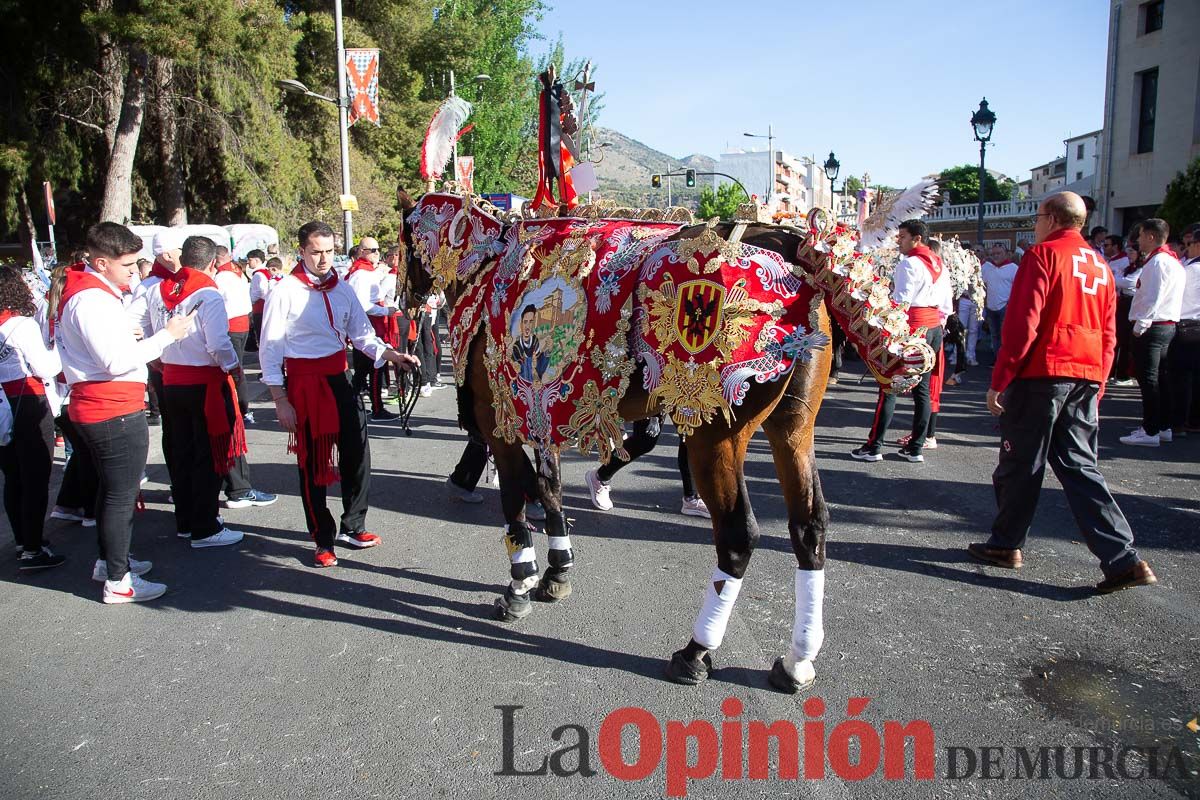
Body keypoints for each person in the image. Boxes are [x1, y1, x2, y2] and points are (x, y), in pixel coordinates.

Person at [969, 192, 1155, 593]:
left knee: (1019, 463)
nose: (1035, 224)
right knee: (1079, 466)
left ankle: (1005, 544)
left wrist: (1000, 379)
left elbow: (1023, 325)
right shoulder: (1101, 266)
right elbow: (1110, 333)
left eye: (1037, 217)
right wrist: (1100, 380)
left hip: (1044, 371)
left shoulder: (1044, 255)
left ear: (1051, 219)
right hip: (1085, 370)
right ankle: (1122, 557)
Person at [260, 221, 420, 568]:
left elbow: (361, 334)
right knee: (313, 464)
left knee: (357, 454)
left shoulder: (342, 287)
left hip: (339, 378)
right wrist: (279, 398)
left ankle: (353, 524)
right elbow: (269, 349)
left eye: (329, 251)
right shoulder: (284, 290)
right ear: (301, 251)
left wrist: (392, 354)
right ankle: (321, 537)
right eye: (316, 252)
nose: (323, 259)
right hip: (304, 383)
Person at [57, 222, 192, 602]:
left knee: (109, 491)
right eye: (129, 265)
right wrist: (167, 336)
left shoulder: (92, 293)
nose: (135, 272)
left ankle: (111, 562)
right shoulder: (92, 299)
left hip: (103, 404)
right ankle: (118, 580)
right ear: (101, 263)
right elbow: (115, 361)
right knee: (119, 495)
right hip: (110, 408)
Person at [142, 236, 248, 548]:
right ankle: (205, 526)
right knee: (209, 454)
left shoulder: (158, 291)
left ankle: (187, 520)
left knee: (182, 452)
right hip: (204, 383)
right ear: (213, 263)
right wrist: (233, 367)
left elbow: (148, 332)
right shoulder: (208, 294)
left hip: (172, 380)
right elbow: (217, 344)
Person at [851, 219, 952, 463]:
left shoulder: (909, 264)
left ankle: (874, 447)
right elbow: (946, 304)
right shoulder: (938, 262)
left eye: (903, 236)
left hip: (911, 327)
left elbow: (900, 303)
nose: (899, 241)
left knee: (889, 386)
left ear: (917, 239)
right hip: (934, 327)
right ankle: (915, 447)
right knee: (923, 391)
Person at [0, 266, 65, 570]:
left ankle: (24, 540)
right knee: (36, 477)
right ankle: (33, 549)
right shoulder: (21, 325)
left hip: (3, 406)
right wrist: (59, 348)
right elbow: (46, 368)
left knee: (14, 477)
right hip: (27, 402)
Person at [1120, 218, 1184, 447]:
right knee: (1160, 379)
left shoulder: (1157, 262)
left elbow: (1152, 297)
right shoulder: (1172, 262)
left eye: (1140, 235)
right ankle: (1162, 426)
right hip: (1166, 325)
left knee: (1149, 381)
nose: (1137, 240)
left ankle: (1150, 430)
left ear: (1150, 236)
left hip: (1153, 326)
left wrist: (1140, 325)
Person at [583, 417, 709, 518]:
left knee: (689, 436)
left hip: (687, 389)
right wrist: (654, 416)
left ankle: (691, 498)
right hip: (656, 388)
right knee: (645, 440)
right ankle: (600, 477)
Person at [345, 236, 398, 421]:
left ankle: (352, 406)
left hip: (374, 322)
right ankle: (376, 408)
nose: (376, 254)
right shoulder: (361, 273)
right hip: (369, 324)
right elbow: (360, 303)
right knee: (374, 365)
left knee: (364, 370)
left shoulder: (367, 271)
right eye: (372, 250)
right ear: (361, 252)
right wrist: (385, 310)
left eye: (377, 250)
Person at [213, 245, 253, 422]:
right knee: (237, 366)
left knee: (234, 369)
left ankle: (242, 408)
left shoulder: (222, 277)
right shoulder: (237, 272)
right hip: (243, 323)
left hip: (232, 325)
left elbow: (217, 304)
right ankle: (241, 407)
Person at [1171, 224, 1200, 436]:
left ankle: (1180, 421)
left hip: (1187, 324)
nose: (1187, 248)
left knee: (1182, 378)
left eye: (1190, 244)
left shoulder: (1189, 270)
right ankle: (1194, 420)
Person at [980, 243, 1018, 359]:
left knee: (1005, 336)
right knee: (994, 336)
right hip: (991, 307)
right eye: (993, 254)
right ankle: (998, 359)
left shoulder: (1013, 268)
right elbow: (982, 285)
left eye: (999, 253)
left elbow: (1018, 288)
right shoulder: (987, 267)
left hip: (1005, 308)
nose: (995, 256)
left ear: (1006, 254)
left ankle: (1005, 361)